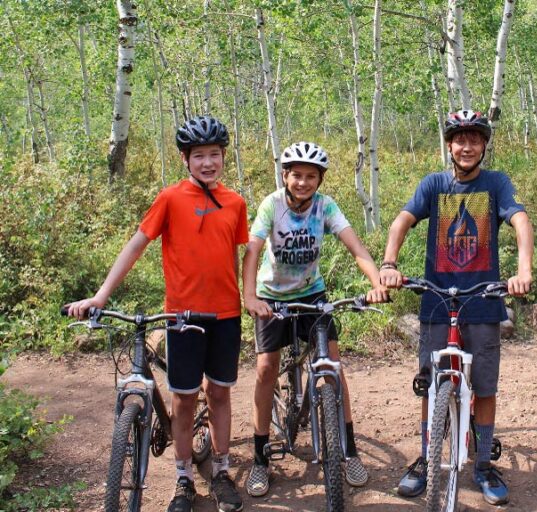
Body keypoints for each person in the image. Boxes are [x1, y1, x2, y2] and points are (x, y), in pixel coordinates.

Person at [66, 115, 247, 512]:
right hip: (181, 318)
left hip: (226, 316)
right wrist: (100, 295)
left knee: (219, 394)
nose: (208, 163)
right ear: (186, 159)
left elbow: (239, 256)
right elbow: (136, 246)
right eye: (199, 155)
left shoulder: (235, 202)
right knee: (183, 401)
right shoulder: (169, 198)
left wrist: (250, 297)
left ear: (222, 158)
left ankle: (220, 470)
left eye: (214, 155)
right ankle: (183, 479)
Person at [379, 110, 534, 506]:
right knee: (433, 386)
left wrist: (523, 270)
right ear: (449, 145)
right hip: (436, 300)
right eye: (459, 139)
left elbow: (519, 220)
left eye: (475, 139)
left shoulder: (495, 184)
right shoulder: (433, 185)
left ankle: (482, 464)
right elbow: (402, 220)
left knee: (484, 388)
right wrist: (389, 264)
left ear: (484, 145)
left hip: (483, 302)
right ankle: (428, 460)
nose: (467, 146)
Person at [242, 141, 389, 498]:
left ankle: (350, 451)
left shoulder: (326, 206)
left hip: (312, 295)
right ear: (285, 176)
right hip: (271, 296)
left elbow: (356, 248)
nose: (303, 183)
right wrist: (249, 296)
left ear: (319, 180)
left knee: (334, 368)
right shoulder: (272, 205)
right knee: (265, 369)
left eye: (311, 177)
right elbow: (253, 250)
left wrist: (376, 282)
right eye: (297, 176)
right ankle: (261, 458)